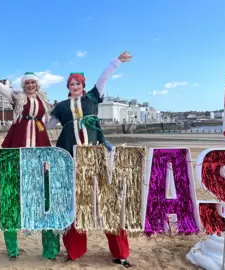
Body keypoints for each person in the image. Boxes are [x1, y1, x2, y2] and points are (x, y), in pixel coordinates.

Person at [46, 51, 133, 268]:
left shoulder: (93, 98)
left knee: (107, 203)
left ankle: (120, 253)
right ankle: (75, 251)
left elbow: (103, 78)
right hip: (69, 161)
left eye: (78, 83)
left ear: (83, 85)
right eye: (71, 83)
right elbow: (45, 126)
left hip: (95, 159)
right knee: (72, 205)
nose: (74, 85)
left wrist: (115, 62)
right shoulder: (61, 107)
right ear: (68, 86)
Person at [0, 70, 59, 260]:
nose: (30, 85)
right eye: (27, 83)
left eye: (33, 82)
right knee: (11, 197)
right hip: (16, 146)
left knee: (44, 199)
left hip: (39, 147)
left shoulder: (44, 100)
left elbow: (51, 121)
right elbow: (1, 88)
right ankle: (12, 248)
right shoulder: (17, 98)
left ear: (37, 84)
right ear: (23, 85)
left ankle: (50, 248)